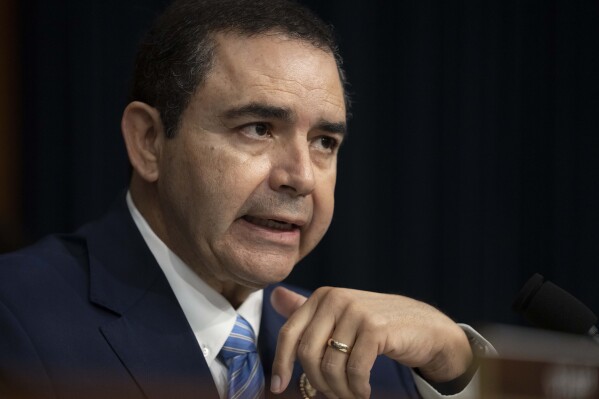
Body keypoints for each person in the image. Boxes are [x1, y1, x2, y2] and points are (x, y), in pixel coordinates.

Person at [0, 0, 492, 398]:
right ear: (149, 141)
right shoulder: (19, 318)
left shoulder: (373, 363)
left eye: (324, 142)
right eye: (258, 129)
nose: (300, 177)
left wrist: (454, 365)